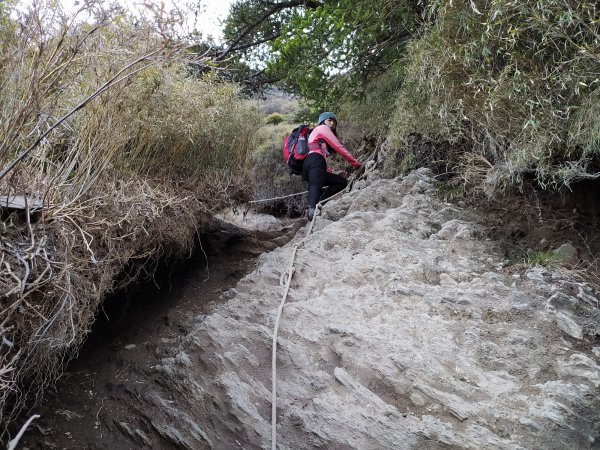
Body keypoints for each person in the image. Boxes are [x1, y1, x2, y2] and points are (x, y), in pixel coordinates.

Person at [302, 112, 361, 220]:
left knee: (341, 182)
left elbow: (318, 165)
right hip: (315, 161)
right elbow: (339, 147)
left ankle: (319, 204)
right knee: (315, 186)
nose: (332, 123)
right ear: (322, 121)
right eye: (329, 120)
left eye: (334, 122)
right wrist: (355, 163)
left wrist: (331, 173)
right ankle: (312, 212)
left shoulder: (317, 135)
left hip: (310, 165)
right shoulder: (322, 128)